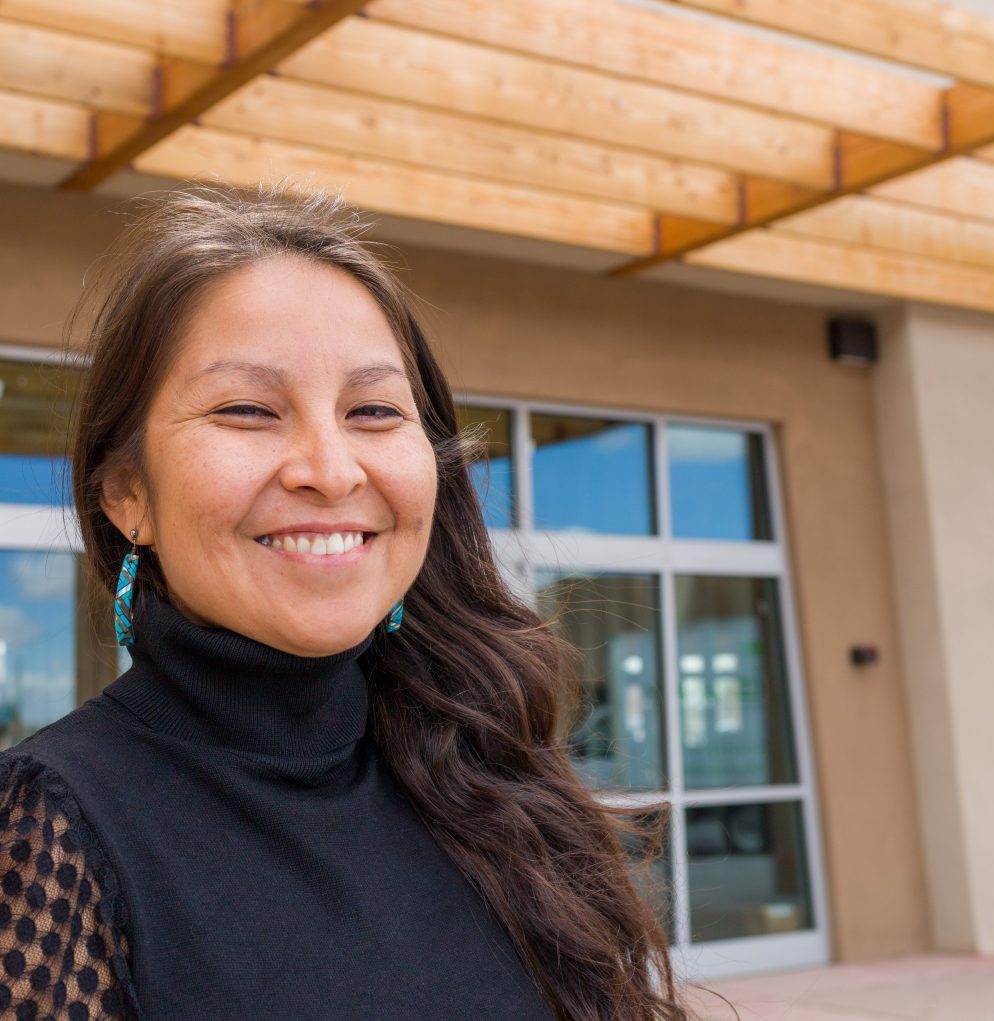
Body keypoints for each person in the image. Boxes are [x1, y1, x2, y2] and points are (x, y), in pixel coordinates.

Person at [0, 186, 689, 1020]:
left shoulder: (486, 777)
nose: (329, 469)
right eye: (249, 409)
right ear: (125, 494)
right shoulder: (50, 827)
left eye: (373, 410)